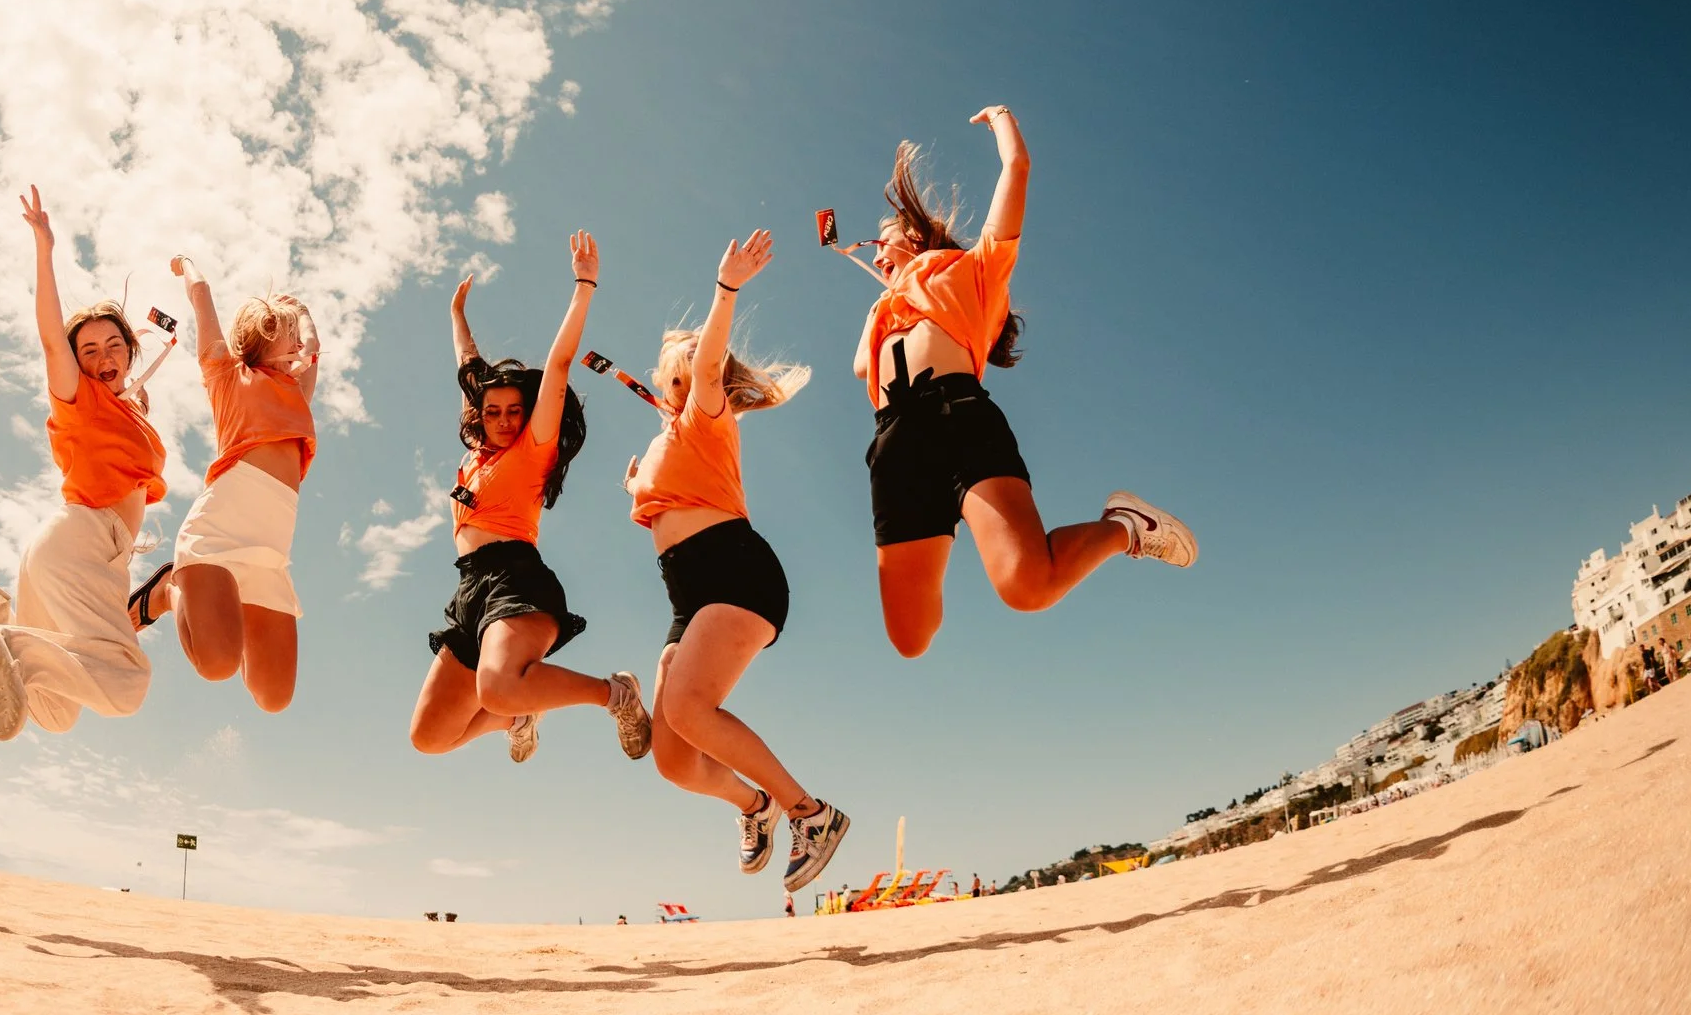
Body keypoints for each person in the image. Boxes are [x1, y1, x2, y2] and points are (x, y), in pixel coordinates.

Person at [847, 113, 1197, 659]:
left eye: (880, 243)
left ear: (915, 237)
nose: (873, 254)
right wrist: (888, 295)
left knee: (1028, 587)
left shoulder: (971, 273)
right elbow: (863, 371)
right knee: (910, 638)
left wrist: (1005, 124)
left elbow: (1018, 169)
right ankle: (948, 521)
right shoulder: (884, 311)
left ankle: (1125, 526)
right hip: (893, 444)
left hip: (955, 416)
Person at [625, 228, 848, 894]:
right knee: (673, 756)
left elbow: (712, 362)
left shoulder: (704, 414)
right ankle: (757, 806)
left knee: (692, 708)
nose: (673, 377)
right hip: (687, 597)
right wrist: (636, 487)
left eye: (678, 370)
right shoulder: (668, 442)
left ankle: (812, 814)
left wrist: (725, 288)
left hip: (735, 573)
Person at [0, 187, 170, 740]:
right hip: (81, 537)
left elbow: (128, 409)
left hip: (71, 557)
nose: (101, 358)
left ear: (129, 349)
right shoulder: (79, 398)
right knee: (125, 685)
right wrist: (44, 246)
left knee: (56, 712)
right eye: (90, 351)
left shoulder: (132, 413)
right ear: (78, 364)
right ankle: (6, 636)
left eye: (112, 346)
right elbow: (53, 342)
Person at [407, 232, 652, 764]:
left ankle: (616, 695)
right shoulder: (476, 454)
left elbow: (560, 364)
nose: (502, 420)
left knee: (496, 684)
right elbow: (469, 365)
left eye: (512, 410)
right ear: (479, 414)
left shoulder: (532, 446)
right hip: (469, 589)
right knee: (429, 736)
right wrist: (456, 313)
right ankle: (518, 717)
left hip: (514, 578)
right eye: (492, 411)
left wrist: (584, 285)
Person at [127, 258, 320, 713]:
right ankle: (169, 588)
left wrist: (302, 311)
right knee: (216, 665)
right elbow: (203, 300)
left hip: (269, 556)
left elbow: (313, 342)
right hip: (219, 533)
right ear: (262, 337)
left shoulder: (297, 394)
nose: (298, 345)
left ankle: (223, 606)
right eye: (287, 333)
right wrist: (189, 270)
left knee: (274, 697)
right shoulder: (229, 378)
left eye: (298, 337)